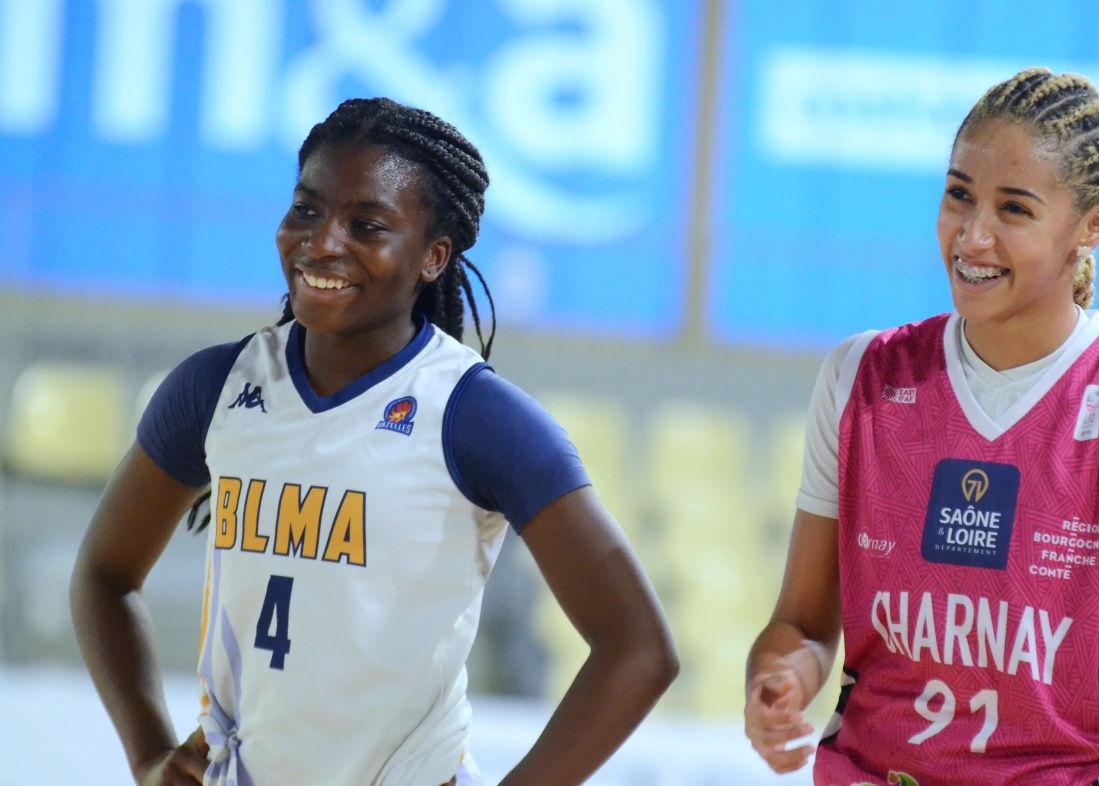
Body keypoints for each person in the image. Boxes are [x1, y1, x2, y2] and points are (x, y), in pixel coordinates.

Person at [71, 97, 678, 786]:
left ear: (433, 256)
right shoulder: (216, 386)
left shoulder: (474, 415)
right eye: (306, 210)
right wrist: (148, 753)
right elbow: (104, 575)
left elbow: (638, 649)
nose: (322, 242)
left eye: (367, 225)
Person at [744, 68, 1099, 786]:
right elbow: (802, 624)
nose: (972, 235)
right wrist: (779, 677)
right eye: (958, 195)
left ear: (1094, 225)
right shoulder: (861, 376)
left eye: (1013, 209)